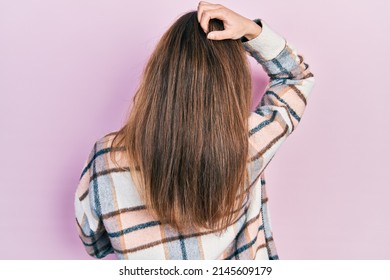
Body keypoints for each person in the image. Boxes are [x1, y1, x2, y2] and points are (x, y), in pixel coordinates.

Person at [74, 1, 315, 260]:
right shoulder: (248, 146)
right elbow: (295, 78)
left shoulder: (107, 158)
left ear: (160, 74)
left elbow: (95, 245)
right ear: (232, 81)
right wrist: (251, 31)